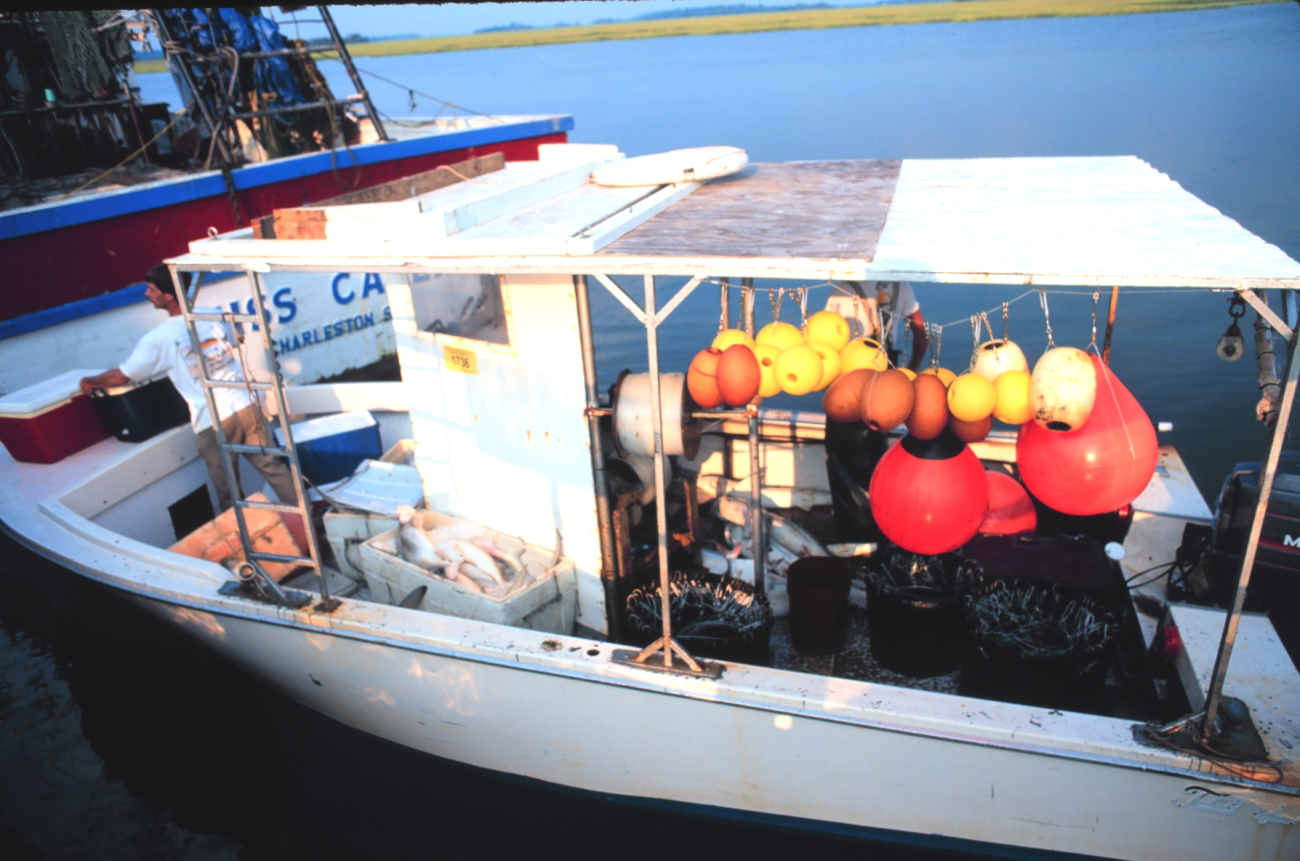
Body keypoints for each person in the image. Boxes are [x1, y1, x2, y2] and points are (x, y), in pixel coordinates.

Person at [80, 263, 300, 512]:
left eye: (151, 289)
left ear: (169, 295)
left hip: (214, 421)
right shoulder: (213, 316)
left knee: (228, 492)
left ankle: (248, 538)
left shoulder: (159, 339)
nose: (146, 294)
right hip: (247, 406)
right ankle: (311, 519)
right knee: (274, 468)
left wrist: (90, 382)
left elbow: (120, 378)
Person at [822, 280, 930, 542]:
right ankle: (880, 529)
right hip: (886, 377)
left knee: (841, 455)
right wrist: (911, 371)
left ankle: (852, 533)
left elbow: (824, 338)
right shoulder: (900, 285)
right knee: (875, 451)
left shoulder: (842, 286)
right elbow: (920, 333)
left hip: (850, 379)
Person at [824, 280, 929, 372]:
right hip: (886, 366)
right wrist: (914, 366)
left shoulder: (840, 290)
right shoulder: (901, 286)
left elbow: (826, 337)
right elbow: (920, 331)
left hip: (851, 367)